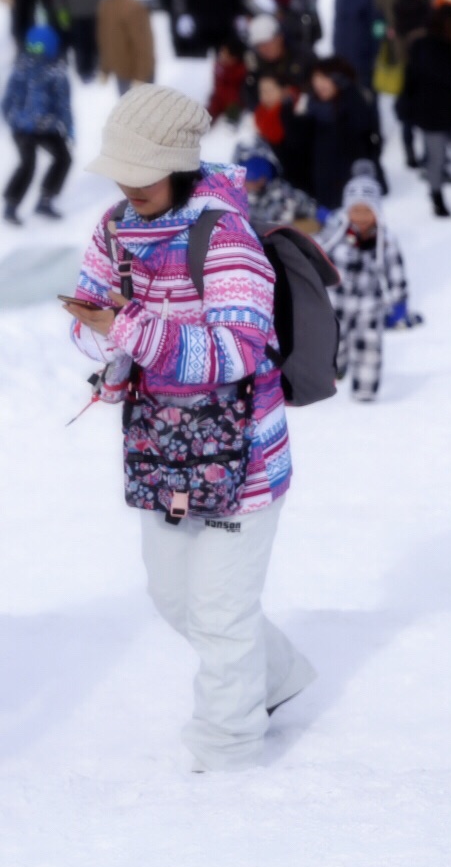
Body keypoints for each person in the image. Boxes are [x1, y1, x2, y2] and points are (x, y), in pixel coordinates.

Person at [62, 85, 314, 772]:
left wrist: (132, 328)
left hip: (244, 459)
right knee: (175, 598)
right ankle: (281, 674)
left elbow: (236, 352)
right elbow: (89, 332)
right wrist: (100, 334)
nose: (128, 182)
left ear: (176, 161)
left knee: (221, 611)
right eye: (121, 165)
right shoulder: (114, 230)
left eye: (143, 167)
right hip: (163, 455)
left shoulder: (224, 236)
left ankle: (227, 754)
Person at [318, 165, 412, 403]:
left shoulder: (385, 241)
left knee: (369, 349)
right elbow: (317, 257)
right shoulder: (335, 233)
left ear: (376, 211)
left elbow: (396, 271)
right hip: (336, 302)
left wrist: (399, 301)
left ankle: (365, 392)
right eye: (355, 210)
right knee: (332, 343)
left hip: (370, 306)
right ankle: (336, 369)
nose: (360, 217)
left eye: (365, 211)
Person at [3, 23, 72, 224]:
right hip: (23, 129)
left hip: (47, 127)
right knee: (28, 163)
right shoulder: (22, 70)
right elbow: (8, 101)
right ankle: (11, 203)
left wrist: (67, 125)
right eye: (34, 47)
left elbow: (63, 104)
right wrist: (17, 120)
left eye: (42, 48)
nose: (38, 52)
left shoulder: (57, 72)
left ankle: (46, 197)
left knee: (64, 158)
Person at [303, 59, 382, 210]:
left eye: (325, 78)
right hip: (322, 194)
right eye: (316, 79)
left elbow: (363, 128)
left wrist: (349, 90)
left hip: (355, 195)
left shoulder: (353, 103)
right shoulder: (312, 109)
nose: (319, 84)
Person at [96, 0, 155, 95]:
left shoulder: (132, 7)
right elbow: (105, 40)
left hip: (137, 75)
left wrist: (141, 77)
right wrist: (105, 68)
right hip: (121, 73)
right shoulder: (105, 5)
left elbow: (144, 46)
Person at [332, 0, 378, 88]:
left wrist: (375, 52)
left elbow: (378, 26)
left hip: (364, 64)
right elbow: (337, 28)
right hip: (342, 62)